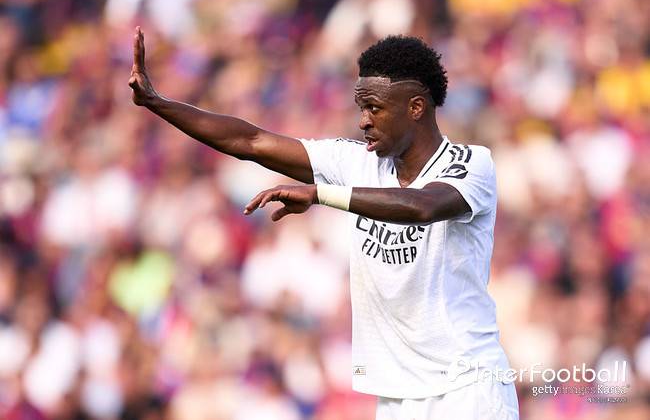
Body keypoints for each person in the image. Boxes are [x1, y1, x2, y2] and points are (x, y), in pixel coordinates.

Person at [129, 26, 519, 420]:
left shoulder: (471, 163)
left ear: (416, 107)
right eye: (361, 108)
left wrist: (321, 194)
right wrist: (158, 103)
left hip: (466, 386)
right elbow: (250, 141)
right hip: (397, 394)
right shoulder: (357, 162)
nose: (363, 121)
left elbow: (422, 206)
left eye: (375, 108)